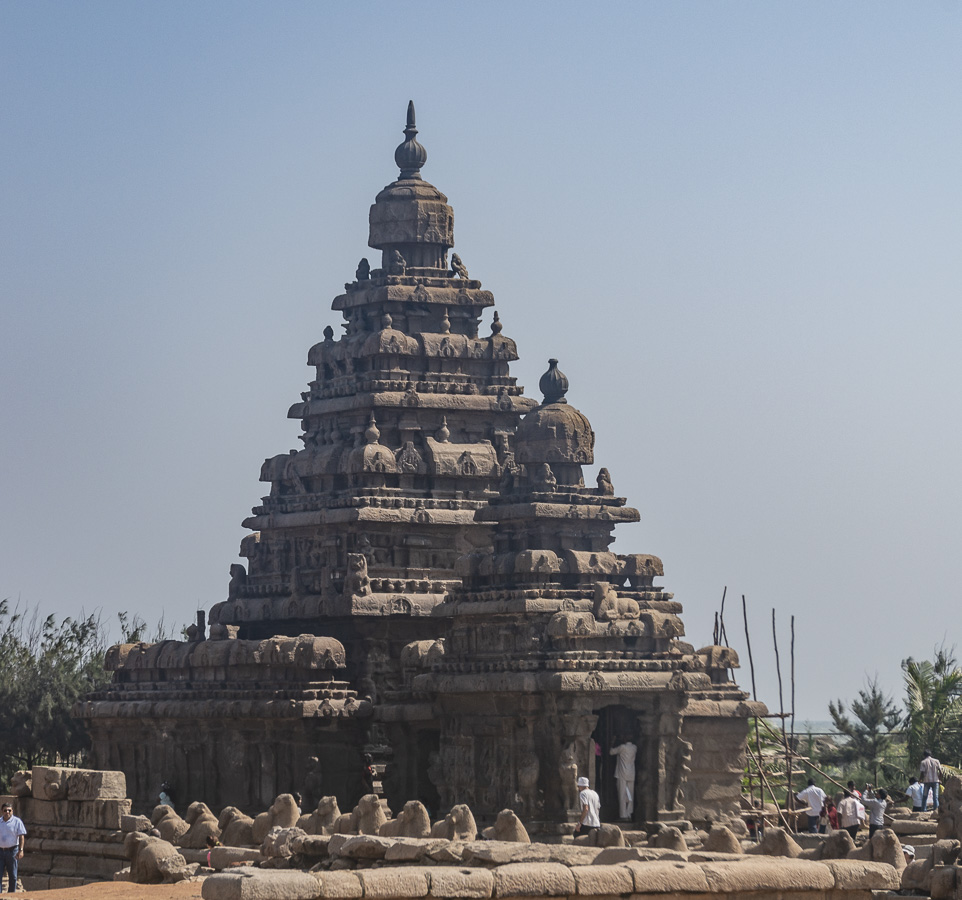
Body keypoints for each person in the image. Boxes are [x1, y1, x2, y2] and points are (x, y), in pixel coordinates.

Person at [609, 736, 637, 820]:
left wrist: (612, 742)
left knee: (622, 795)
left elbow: (611, 752)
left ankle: (623, 815)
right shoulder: (634, 747)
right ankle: (629, 814)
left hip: (622, 774)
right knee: (630, 795)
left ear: (625, 739)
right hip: (631, 774)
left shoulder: (622, 747)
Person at [0, 803, 26, 894]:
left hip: (12, 851)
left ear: (12, 811)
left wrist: (21, 850)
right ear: (2, 811)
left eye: (9, 810)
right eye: (5, 810)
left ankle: (11, 894)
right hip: (1, 851)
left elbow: (21, 836)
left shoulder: (17, 821)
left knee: (13, 875)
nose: (7, 812)